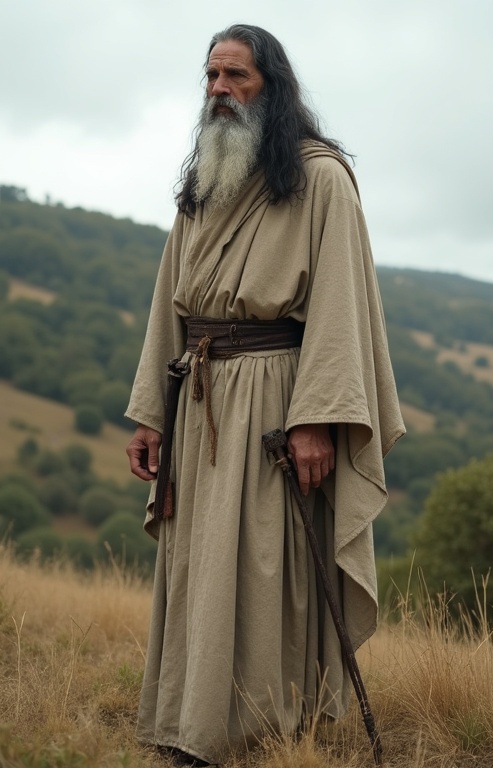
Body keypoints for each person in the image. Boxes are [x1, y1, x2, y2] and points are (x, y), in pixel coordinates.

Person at [126, 23, 405, 767]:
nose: (219, 92)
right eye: (211, 77)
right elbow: (170, 305)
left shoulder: (320, 179)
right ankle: (191, 723)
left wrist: (318, 418)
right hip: (201, 395)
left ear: (271, 88)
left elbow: (342, 306)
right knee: (200, 565)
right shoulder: (206, 180)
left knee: (264, 566)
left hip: (278, 403)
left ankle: (264, 729)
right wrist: (153, 411)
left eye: (236, 78)